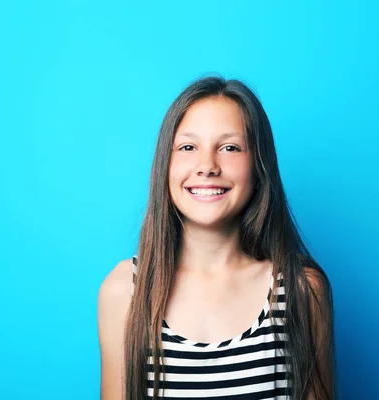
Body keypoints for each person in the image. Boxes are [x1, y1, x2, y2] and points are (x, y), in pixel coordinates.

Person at [98, 76, 335, 400]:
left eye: (229, 147)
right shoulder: (126, 291)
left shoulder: (301, 290)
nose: (207, 165)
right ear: (165, 165)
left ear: (259, 166)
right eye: (188, 147)